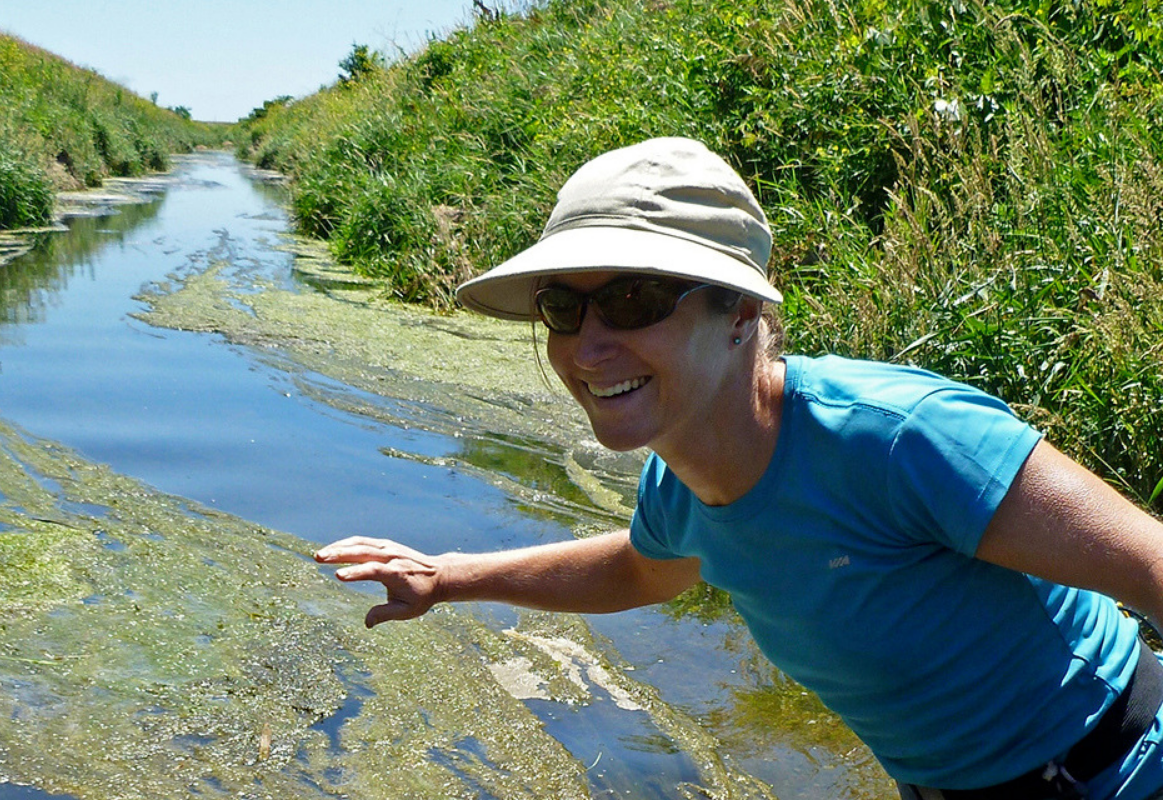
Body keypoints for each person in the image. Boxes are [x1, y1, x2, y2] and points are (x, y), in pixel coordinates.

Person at [314, 137, 1163, 799]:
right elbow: (641, 570)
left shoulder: (897, 441)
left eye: (635, 299)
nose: (589, 344)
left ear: (740, 313)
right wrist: (446, 576)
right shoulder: (678, 484)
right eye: (564, 307)